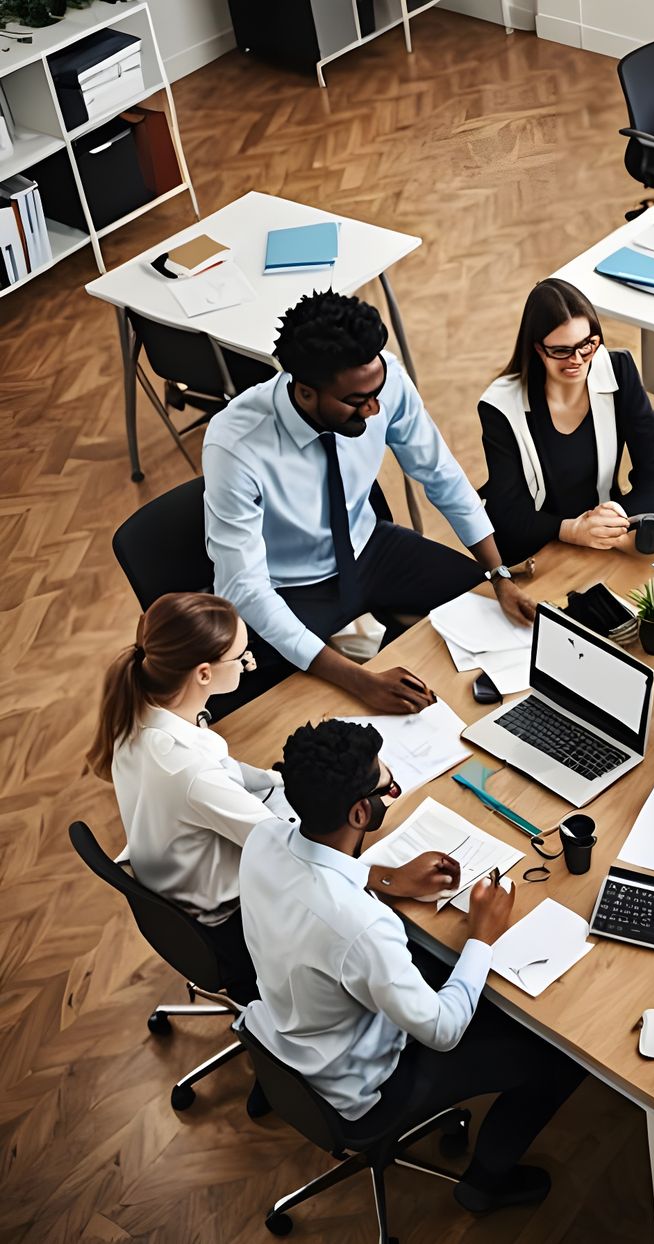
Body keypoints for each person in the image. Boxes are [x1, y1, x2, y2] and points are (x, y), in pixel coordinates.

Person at [237, 720, 587, 1213]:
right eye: (386, 787)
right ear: (361, 811)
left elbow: (318, 889)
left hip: (285, 1029)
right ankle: (486, 1183)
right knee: (558, 1052)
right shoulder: (362, 927)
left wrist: (391, 880)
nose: (390, 791)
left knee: (435, 962)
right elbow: (443, 1031)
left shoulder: (261, 840)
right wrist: (482, 936)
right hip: (358, 1083)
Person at [203, 290, 539, 718]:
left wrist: (498, 573)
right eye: (358, 401)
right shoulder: (235, 444)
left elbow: (439, 472)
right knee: (255, 716)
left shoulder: (382, 378)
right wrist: (359, 680)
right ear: (305, 393)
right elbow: (244, 588)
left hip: (373, 549)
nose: (376, 406)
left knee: (495, 614)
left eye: (377, 390)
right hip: (287, 588)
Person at [87, 592, 284, 1003]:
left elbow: (221, 771)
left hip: (176, 884)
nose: (250, 663)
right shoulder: (187, 769)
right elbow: (282, 847)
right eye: (242, 656)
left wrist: (274, 778)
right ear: (205, 674)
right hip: (228, 919)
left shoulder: (141, 711)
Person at [478, 278, 654, 564]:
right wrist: (571, 529)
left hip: (604, 541)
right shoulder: (500, 405)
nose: (578, 359)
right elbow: (509, 514)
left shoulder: (618, 370)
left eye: (587, 345)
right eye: (562, 350)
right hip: (536, 549)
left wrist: (616, 518)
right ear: (538, 349)